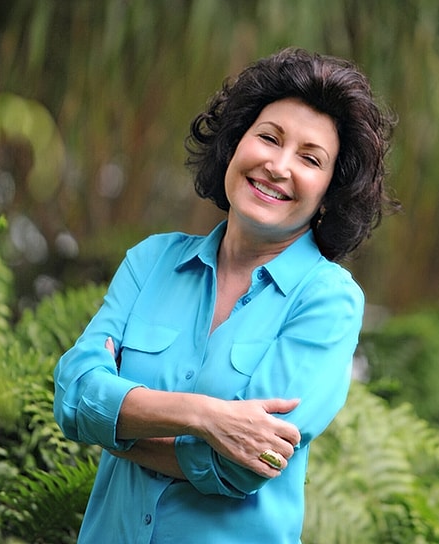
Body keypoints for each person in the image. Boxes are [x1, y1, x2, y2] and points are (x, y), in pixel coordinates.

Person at [54, 47, 397, 544]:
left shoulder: (328, 301)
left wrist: (113, 420)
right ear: (236, 144)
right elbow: (70, 393)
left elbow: (246, 465)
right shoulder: (151, 262)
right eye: (268, 138)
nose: (278, 166)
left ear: (329, 192)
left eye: (309, 158)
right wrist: (207, 417)